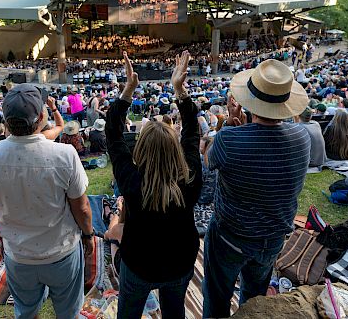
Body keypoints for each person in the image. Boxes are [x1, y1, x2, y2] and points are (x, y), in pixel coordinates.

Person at [203, 59, 311, 318]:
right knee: (254, 301)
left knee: (217, 299)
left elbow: (209, 160)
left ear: (250, 101)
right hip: (273, 239)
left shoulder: (230, 139)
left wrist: (230, 125)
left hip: (230, 237)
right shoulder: (302, 137)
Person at [0, 83, 93, 319]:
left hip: (18, 255)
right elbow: (81, 207)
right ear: (41, 116)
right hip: (61, 252)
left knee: (26, 312)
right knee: (68, 312)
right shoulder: (64, 154)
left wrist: (5, 240)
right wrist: (89, 235)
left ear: (6, 119)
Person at [106, 51, 201, 318]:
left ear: (141, 149)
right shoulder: (190, 177)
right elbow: (193, 131)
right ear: (175, 148)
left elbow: (112, 133)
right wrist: (179, 90)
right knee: (174, 312)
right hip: (180, 262)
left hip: (139, 266)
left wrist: (128, 91)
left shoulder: (131, 180)